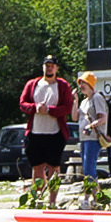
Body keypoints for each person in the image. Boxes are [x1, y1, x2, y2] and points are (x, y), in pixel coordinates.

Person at [19, 55, 74, 205]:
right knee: (37, 167)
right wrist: (35, 108)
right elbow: (22, 103)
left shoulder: (62, 85)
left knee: (54, 168)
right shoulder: (32, 84)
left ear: (56, 68)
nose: (49, 68)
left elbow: (67, 108)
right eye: (47, 65)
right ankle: (38, 199)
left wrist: (49, 110)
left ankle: (52, 201)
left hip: (55, 133)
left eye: (52, 65)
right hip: (35, 132)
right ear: (43, 67)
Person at [76, 71, 109, 182]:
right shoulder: (84, 101)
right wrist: (75, 100)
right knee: (86, 169)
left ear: (90, 84)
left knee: (89, 168)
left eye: (84, 83)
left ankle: (91, 196)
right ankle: (91, 194)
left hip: (93, 138)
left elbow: (103, 118)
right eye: (80, 83)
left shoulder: (97, 98)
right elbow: (74, 117)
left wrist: (90, 126)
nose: (81, 86)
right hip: (84, 138)